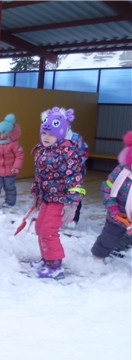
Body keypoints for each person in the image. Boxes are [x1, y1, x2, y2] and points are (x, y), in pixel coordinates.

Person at [29, 107, 84, 278]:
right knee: (39, 228)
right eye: (44, 133)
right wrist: (36, 193)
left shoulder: (66, 152)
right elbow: (40, 176)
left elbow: (74, 178)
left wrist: (72, 203)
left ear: (60, 135)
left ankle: (55, 265)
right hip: (47, 197)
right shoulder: (42, 150)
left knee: (48, 231)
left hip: (60, 199)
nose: (46, 137)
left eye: (51, 134)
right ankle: (46, 258)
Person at [91, 131, 132, 260]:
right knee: (108, 238)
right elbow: (107, 188)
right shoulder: (120, 171)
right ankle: (98, 258)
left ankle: (122, 245)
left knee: (122, 238)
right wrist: (112, 207)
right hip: (117, 216)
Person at [0, 113, 24, 209]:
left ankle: (9, 202)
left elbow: (19, 156)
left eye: (1, 133)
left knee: (9, 188)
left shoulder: (14, 144)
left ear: (8, 133)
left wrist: (16, 167)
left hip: (10, 171)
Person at [63, 115, 89, 229]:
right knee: (57, 194)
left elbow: (83, 153)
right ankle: (59, 217)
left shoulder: (76, 138)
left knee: (74, 195)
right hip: (57, 174)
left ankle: (73, 219)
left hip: (75, 173)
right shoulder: (52, 137)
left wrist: (72, 166)